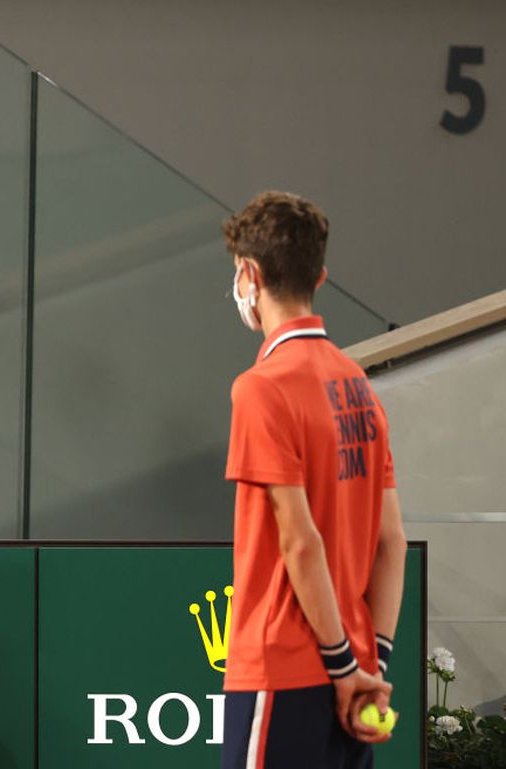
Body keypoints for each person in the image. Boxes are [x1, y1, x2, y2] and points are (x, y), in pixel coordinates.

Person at [219, 191, 408, 768]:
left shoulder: (260, 387)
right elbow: (390, 543)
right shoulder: (356, 383)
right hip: (353, 671)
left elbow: (301, 543)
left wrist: (346, 669)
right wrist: (367, 665)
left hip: (280, 670)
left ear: (250, 274)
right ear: (320, 276)